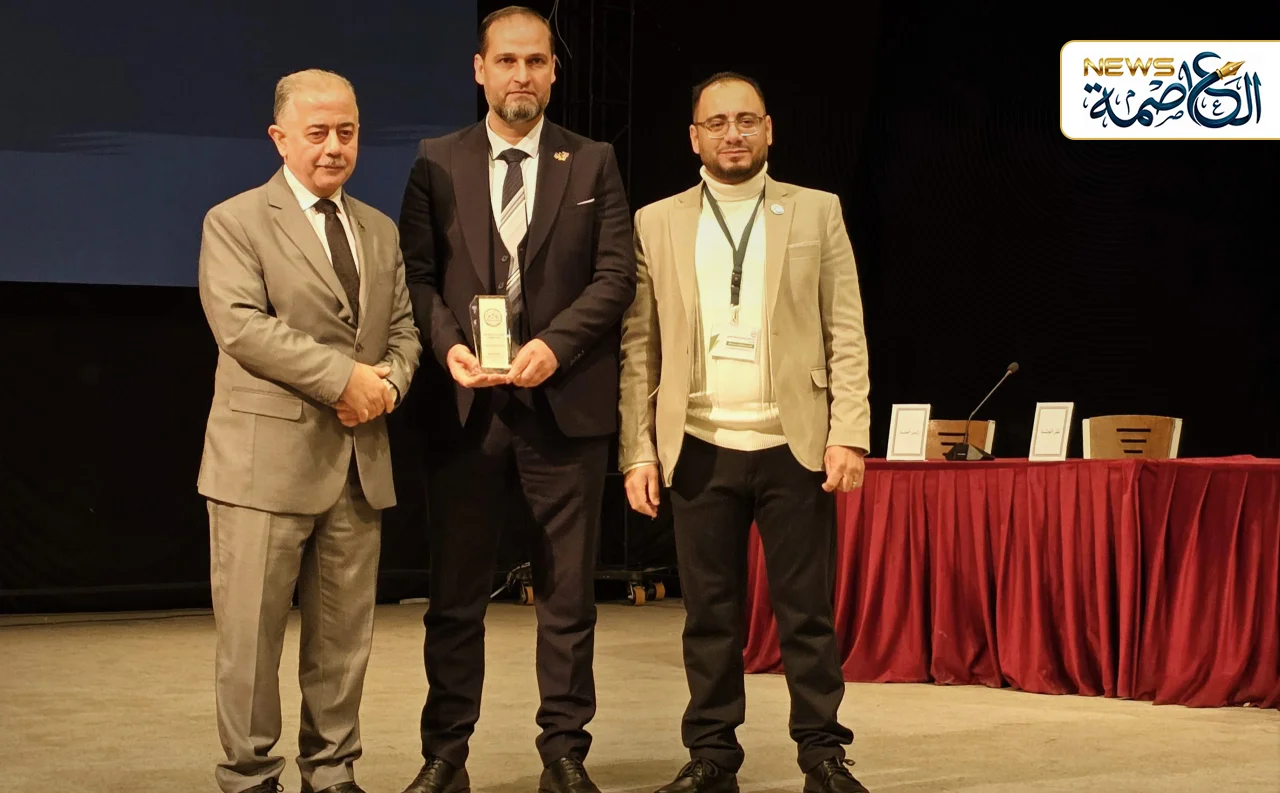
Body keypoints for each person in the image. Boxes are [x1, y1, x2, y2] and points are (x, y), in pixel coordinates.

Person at [396, 7, 635, 793]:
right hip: (465, 411)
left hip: (564, 407)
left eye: (536, 60)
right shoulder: (436, 161)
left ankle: (564, 752)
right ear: (479, 70)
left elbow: (615, 278)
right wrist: (447, 347)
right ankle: (445, 754)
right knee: (455, 597)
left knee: (567, 597)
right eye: (506, 60)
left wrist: (555, 346)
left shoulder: (592, 161)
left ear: (555, 71)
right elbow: (416, 276)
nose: (521, 74)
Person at [618, 72, 874, 793]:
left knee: (807, 615)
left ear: (769, 130)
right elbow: (640, 346)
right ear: (693, 137)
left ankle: (823, 755)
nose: (733, 134)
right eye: (717, 123)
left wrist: (849, 431)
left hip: (795, 444)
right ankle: (712, 757)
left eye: (746, 121)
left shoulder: (817, 210)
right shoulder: (656, 221)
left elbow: (846, 329)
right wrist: (638, 449)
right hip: (699, 443)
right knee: (709, 617)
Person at [196, 69, 421, 793]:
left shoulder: (379, 230)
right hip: (261, 466)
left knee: (343, 639)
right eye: (317, 132)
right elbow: (241, 326)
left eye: (347, 132)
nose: (334, 147)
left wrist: (387, 386)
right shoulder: (235, 221)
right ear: (280, 138)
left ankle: (332, 770)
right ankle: (249, 774)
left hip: (358, 463)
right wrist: (344, 379)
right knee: (251, 638)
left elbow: (404, 331)